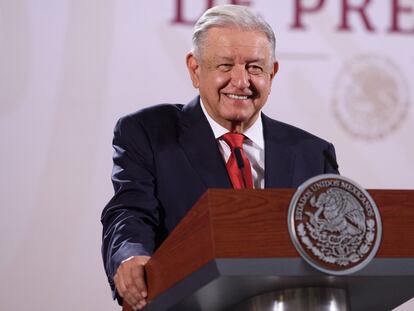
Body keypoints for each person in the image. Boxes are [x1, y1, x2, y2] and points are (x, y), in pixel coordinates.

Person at [101, 4, 339, 310]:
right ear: (195, 69)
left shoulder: (312, 153)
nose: (241, 82)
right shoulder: (148, 133)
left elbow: (335, 242)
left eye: (254, 67)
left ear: (273, 72)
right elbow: (129, 211)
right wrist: (131, 256)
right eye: (225, 66)